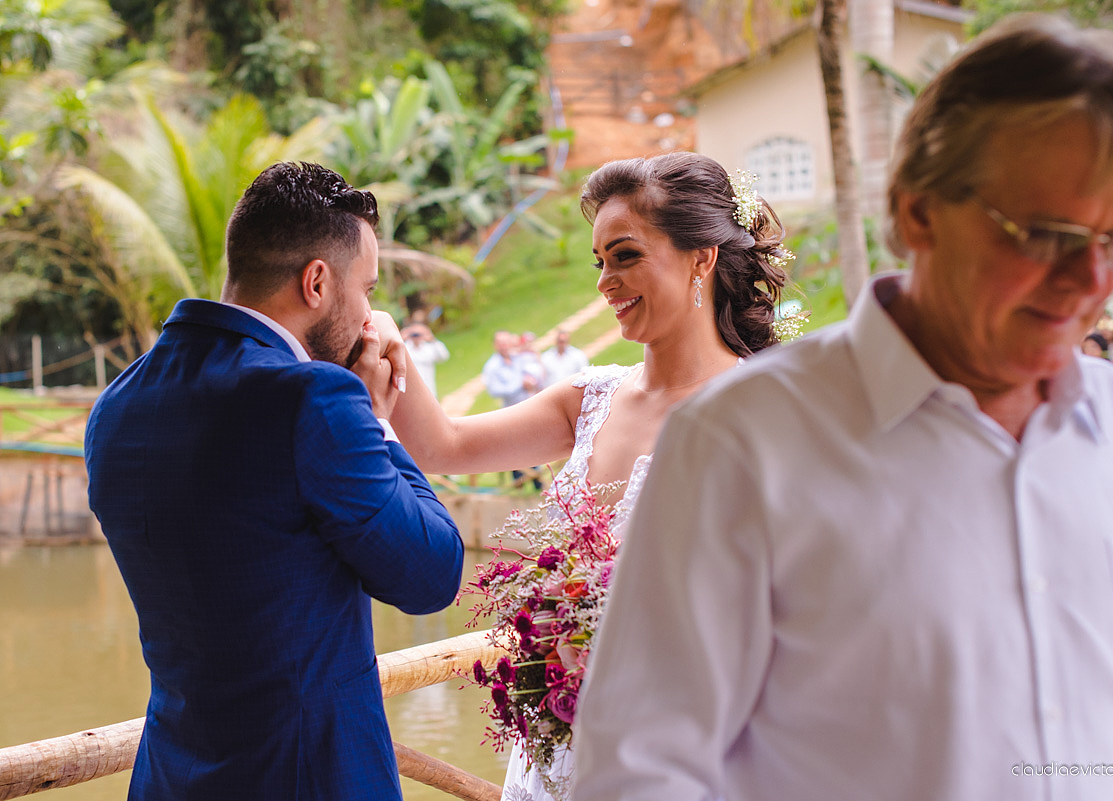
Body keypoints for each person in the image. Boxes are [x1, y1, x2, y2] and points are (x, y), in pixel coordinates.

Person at [573, 16, 1113, 801]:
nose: (1088, 280)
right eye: (1045, 234)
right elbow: (640, 771)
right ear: (916, 213)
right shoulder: (743, 445)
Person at [374, 152, 790, 801]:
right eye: (599, 262)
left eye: (625, 256)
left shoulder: (768, 410)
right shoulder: (587, 398)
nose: (605, 282)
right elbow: (440, 443)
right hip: (558, 750)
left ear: (701, 257)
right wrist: (382, 338)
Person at [84, 162, 464, 801]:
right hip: (311, 777)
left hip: (172, 776)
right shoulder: (313, 398)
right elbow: (432, 573)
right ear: (317, 281)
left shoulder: (118, 404)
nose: (371, 311)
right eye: (365, 288)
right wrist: (378, 422)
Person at [401, 315, 450, 399]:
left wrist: (432, 339)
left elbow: (444, 356)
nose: (416, 337)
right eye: (414, 334)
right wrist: (400, 338)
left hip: (429, 388)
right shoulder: (404, 348)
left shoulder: (430, 348)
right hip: (409, 392)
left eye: (418, 334)